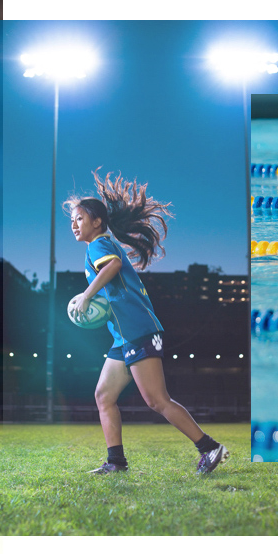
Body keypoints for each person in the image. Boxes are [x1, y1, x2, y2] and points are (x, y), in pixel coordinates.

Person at [65, 173, 227, 476]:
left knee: (156, 400)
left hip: (137, 329)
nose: (74, 224)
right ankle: (116, 462)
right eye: (71, 221)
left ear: (97, 222)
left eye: (79, 218)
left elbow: (112, 266)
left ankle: (209, 447)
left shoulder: (98, 245)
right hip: (123, 336)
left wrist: (87, 296)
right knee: (104, 396)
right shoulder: (100, 243)